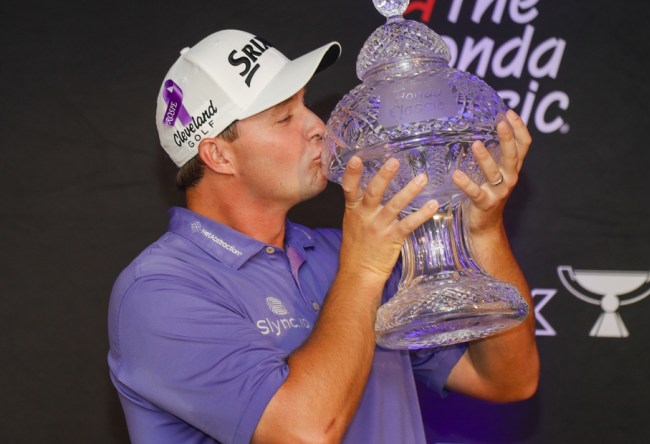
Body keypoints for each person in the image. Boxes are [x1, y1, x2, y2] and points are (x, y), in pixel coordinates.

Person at [108, 28, 539, 444]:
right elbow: (305, 433)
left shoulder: (339, 251)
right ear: (218, 155)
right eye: (284, 117)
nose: (317, 125)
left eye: (305, 105)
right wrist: (364, 270)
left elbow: (507, 379)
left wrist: (480, 228)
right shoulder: (158, 291)